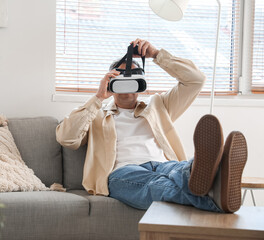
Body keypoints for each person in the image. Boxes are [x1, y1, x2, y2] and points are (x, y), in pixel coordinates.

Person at [56, 38, 247, 213]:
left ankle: (199, 169)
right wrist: (98, 97)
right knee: (157, 186)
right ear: (111, 81)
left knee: (178, 171)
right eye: (120, 77)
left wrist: (156, 55)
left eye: (132, 76)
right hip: (123, 172)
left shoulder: (158, 106)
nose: (126, 80)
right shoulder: (95, 114)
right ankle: (215, 187)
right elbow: (66, 138)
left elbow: (196, 80)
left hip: (163, 165)